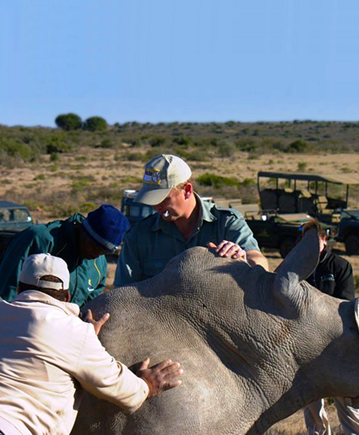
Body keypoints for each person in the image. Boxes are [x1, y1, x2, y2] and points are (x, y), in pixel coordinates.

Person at [0, 253, 183, 435]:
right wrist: (145, 386)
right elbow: (117, 386)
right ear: (67, 296)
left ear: (18, 289)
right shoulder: (74, 332)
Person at [114, 154, 268, 286]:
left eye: (163, 199)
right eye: (152, 200)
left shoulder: (226, 222)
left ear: (187, 191)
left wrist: (244, 260)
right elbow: (122, 292)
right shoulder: (139, 235)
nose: (156, 207)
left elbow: (259, 262)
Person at [300, 220, 359, 435]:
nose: (309, 245)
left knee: (347, 403)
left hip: (338, 346)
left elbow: (346, 303)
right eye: (305, 240)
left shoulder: (340, 266)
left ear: (324, 239)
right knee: (312, 405)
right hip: (306, 344)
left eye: (313, 240)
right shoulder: (299, 267)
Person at [0, 204, 130, 306]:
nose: (97, 255)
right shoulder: (39, 240)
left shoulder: (99, 265)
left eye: (104, 252)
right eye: (94, 246)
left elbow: (88, 306)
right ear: (82, 229)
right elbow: (6, 289)